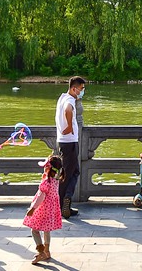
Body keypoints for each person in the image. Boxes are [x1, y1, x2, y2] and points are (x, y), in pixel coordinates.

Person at [23, 154, 64, 264]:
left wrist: (33, 208)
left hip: (42, 210)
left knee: (34, 230)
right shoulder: (56, 180)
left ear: (48, 168)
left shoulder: (46, 182)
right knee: (46, 230)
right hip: (51, 210)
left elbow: (41, 197)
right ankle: (47, 251)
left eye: (45, 166)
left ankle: (41, 252)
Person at [56, 76, 86, 218]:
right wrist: (69, 126)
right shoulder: (69, 100)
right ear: (74, 88)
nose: (82, 92)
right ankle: (64, 201)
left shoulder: (62, 97)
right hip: (69, 142)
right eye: (81, 89)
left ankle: (63, 202)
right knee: (71, 174)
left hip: (63, 142)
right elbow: (68, 110)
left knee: (69, 173)